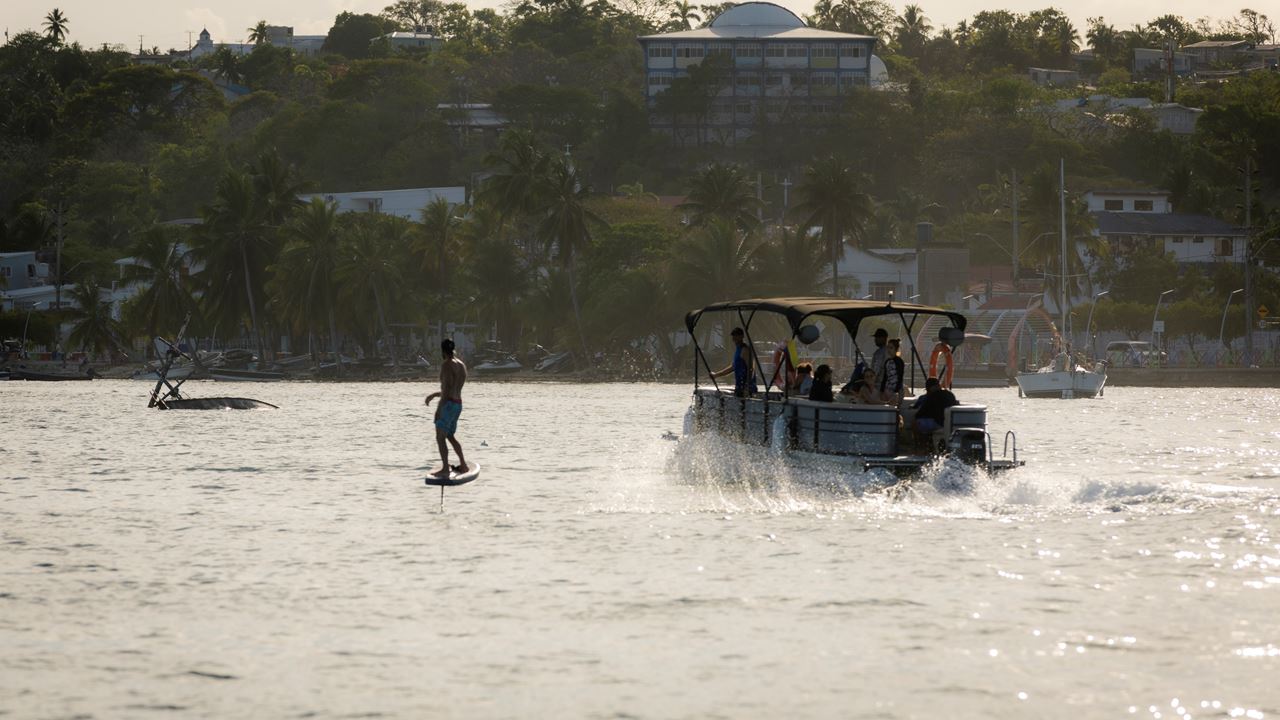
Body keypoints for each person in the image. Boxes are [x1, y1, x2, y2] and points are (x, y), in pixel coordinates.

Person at [424, 339, 469, 477]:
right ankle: (463, 464)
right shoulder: (461, 365)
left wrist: (438, 410)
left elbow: (447, 389)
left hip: (448, 404)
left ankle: (445, 468)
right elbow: (453, 389)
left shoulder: (446, 365)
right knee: (450, 435)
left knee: (440, 437)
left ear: (442, 351)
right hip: (457, 404)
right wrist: (434, 394)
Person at [710, 327, 757, 397]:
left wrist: (747, 387)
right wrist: (716, 375)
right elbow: (732, 367)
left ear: (742, 336)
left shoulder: (745, 350)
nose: (734, 339)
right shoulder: (738, 350)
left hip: (746, 388)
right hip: (739, 387)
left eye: (737, 336)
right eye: (734, 337)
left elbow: (751, 369)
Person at [882, 337, 905, 404]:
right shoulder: (887, 361)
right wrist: (882, 390)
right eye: (888, 347)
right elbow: (885, 376)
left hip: (896, 390)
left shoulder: (899, 361)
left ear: (896, 349)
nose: (889, 350)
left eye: (891, 348)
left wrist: (896, 391)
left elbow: (900, 377)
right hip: (887, 389)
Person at [869, 327, 889, 394]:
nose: (875, 340)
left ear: (883, 338)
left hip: (878, 385)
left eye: (877, 338)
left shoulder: (880, 353)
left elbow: (876, 370)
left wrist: (870, 381)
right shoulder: (888, 351)